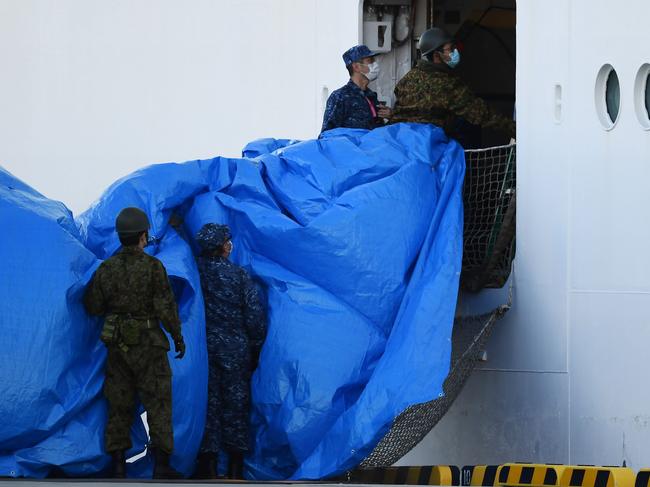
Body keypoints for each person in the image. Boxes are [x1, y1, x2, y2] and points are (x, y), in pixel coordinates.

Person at [83, 207, 186, 479]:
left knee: (119, 404)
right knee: (159, 404)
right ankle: (161, 466)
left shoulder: (106, 268)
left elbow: (93, 306)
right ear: (143, 235)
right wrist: (177, 337)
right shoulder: (153, 267)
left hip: (119, 347)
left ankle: (118, 465)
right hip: (150, 345)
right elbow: (166, 307)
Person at [193, 223, 266, 480]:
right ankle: (236, 467)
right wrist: (256, 348)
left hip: (205, 349)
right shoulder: (239, 275)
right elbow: (254, 315)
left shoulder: (196, 272)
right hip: (236, 348)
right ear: (223, 246)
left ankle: (209, 465)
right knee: (236, 405)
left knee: (208, 404)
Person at [392, 27, 515, 145]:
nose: (455, 52)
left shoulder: (407, 78)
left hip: (401, 143)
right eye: (450, 49)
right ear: (436, 55)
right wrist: (517, 130)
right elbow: (482, 113)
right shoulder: (447, 84)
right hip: (430, 148)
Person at [320, 44, 393, 134]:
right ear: (356, 67)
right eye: (370, 61)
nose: (375, 64)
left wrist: (391, 117)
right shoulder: (340, 97)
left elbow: (379, 133)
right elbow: (327, 136)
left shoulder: (371, 97)